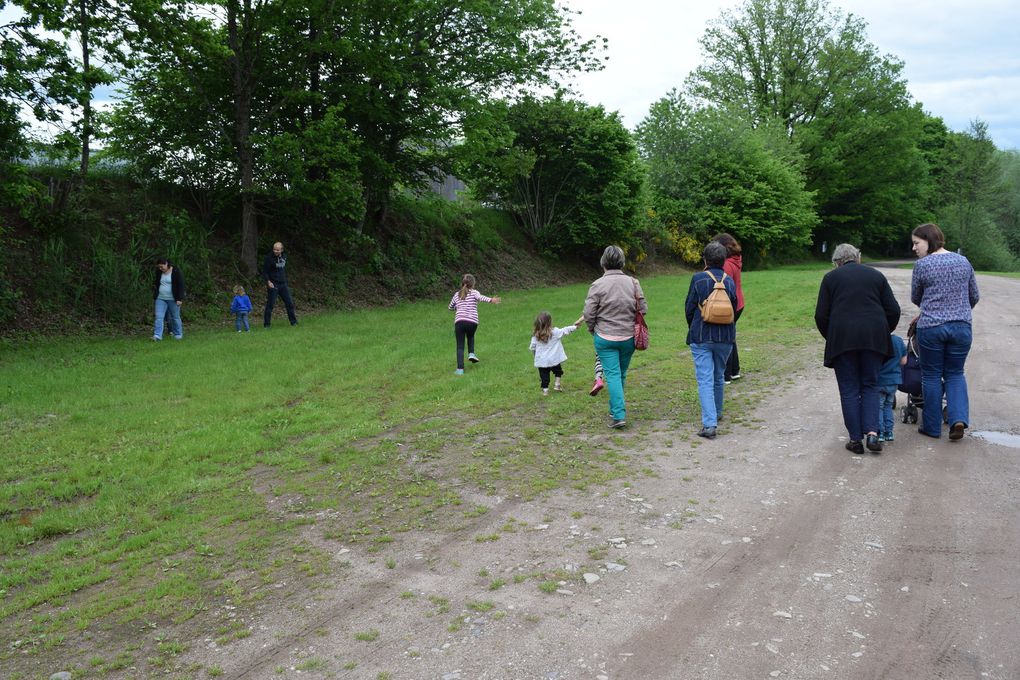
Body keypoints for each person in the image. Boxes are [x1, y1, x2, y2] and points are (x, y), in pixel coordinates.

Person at [814, 243, 900, 454]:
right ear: (857, 257)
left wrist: (832, 336)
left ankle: (855, 440)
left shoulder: (830, 279)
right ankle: (872, 434)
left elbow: (821, 315)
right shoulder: (876, 276)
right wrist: (882, 333)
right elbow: (893, 310)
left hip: (843, 339)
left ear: (836, 262)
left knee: (849, 388)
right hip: (873, 337)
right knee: (870, 385)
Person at [910, 223, 980, 440]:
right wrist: (958, 309)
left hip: (931, 328)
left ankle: (931, 427)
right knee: (955, 373)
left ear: (929, 240)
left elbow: (916, 297)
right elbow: (974, 295)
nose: (914, 248)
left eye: (916, 243)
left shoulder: (923, 265)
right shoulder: (963, 261)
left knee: (931, 375)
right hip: (961, 327)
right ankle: (958, 419)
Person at [583, 245, 647, 429]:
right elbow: (643, 309)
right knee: (619, 374)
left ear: (603, 262)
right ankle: (615, 409)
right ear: (622, 262)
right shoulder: (633, 282)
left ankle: (618, 415)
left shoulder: (597, 285)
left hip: (605, 337)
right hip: (628, 338)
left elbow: (589, 313)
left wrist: (592, 329)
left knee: (612, 375)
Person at [684, 241, 738, 439]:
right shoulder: (729, 281)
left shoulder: (698, 279)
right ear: (723, 260)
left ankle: (709, 425)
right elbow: (735, 307)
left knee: (705, 378)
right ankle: (717, 412)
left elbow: (689, 308)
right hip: (725, 337)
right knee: (718, 376)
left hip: (702, 336)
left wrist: (694, 325)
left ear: (705, 259)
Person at [448, 273, 501, 375]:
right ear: (473, 283)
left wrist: (458, 307)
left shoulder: (457, 294)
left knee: (460, 346)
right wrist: (491, 300)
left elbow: (450, 307)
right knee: (471, 336)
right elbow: (481, 298)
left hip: (459, 322)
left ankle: (460, 370)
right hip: (472, 322)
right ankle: (471, 353)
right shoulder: (474, 292)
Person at [713, 233, 745, 383]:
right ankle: (734, 370)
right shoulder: (735, 260)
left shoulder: (726, 265)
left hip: (731, 303)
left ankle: (726, 374)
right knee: (730, 335)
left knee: (725, 337)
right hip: (739, 303)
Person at [530, 312, 585, 395]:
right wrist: (575, 327)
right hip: (554, 359)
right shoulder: (555, 332)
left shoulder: (535, 336)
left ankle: (545, 391)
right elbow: (565, 330)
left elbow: (532, 348)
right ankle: (557, 385)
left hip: (542, 361)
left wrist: (535, 356)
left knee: (544, 376)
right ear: (549, 322)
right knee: (558, 371)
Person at [877, 332, 907, 442]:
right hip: (894, 380)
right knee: (888, 405)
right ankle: (889, 432)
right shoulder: (898, 341)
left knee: (878, 406)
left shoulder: (877, 339)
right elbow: (904, 361)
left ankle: (879, 432)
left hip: (880, 380)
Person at [263, 241, 297, 327]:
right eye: (274, 249)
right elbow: (265, 272)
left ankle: (294, 322)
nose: (276, 251)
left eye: (278, 250)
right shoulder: (269, 258)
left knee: (289, 303)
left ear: (282, 250)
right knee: (270, 305)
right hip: (273, 284)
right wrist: (268, 282)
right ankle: (267, 325)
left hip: (283, 284)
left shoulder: (284, 256)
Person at [152, 258, 185, 340]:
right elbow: (156, 283)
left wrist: (179, 298)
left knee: (175, 317)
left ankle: (178, 334)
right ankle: (157, 335)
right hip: (160, 298)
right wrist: (155, 293)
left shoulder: (176, 271)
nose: (160, 269)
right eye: (159, 267)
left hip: (173, 299)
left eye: (161, 267)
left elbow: (181, 285)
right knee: (159, 317)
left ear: (166, 264)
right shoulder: (159, 272)